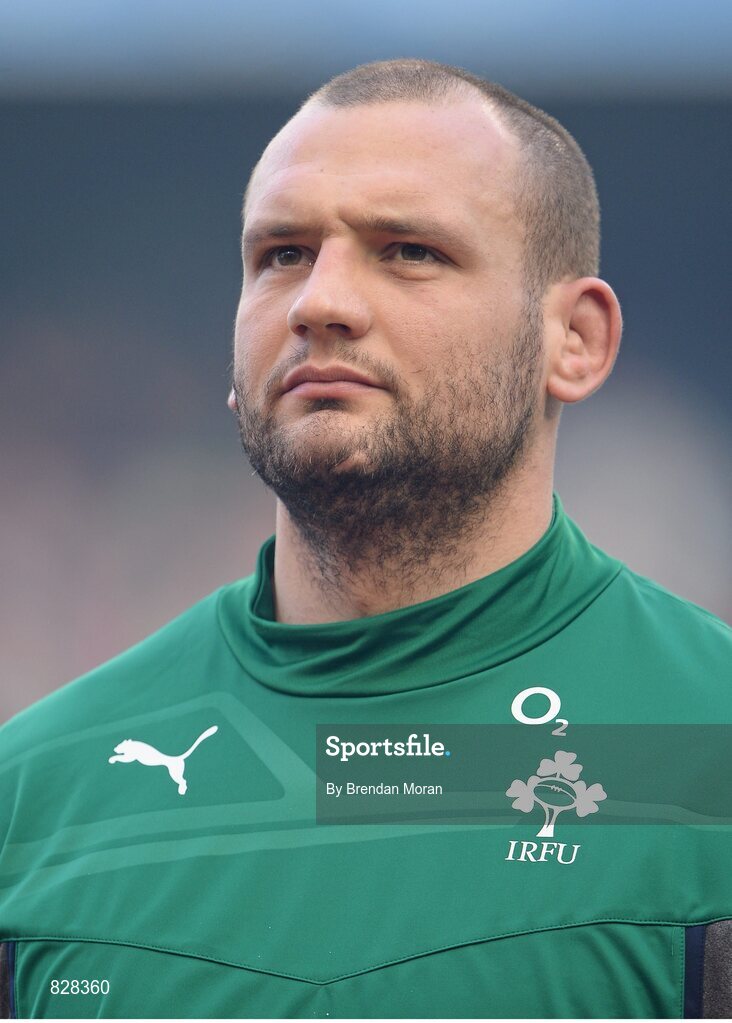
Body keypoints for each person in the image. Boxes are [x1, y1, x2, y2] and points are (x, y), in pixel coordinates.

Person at [0, 58, 730, 1019]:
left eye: (409, 250)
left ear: (575, 340)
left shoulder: (707, 749)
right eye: (282, 255)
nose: (318, 302)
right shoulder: (36, 796)